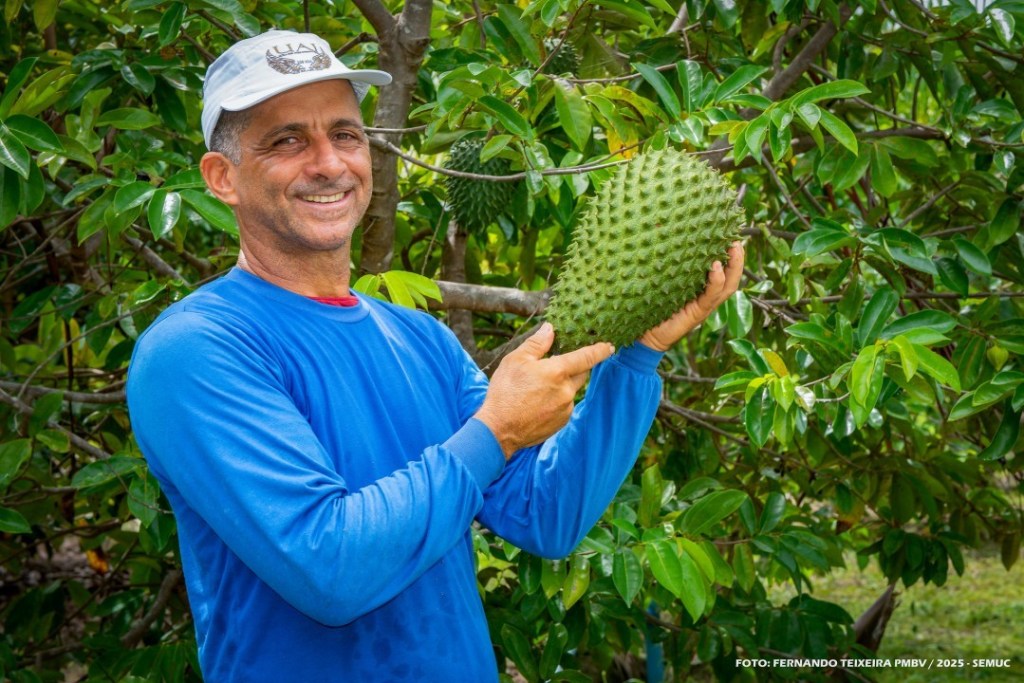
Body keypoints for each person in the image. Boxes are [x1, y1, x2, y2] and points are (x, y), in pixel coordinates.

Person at [126, 28, 744, 683]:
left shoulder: (420, 339)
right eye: (287, 140)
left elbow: (547, 514)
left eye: (346, 134)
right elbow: (328, 566)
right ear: (223, 177)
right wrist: (496, 430)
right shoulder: (194, 348)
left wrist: (636, 358)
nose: (329, 163)